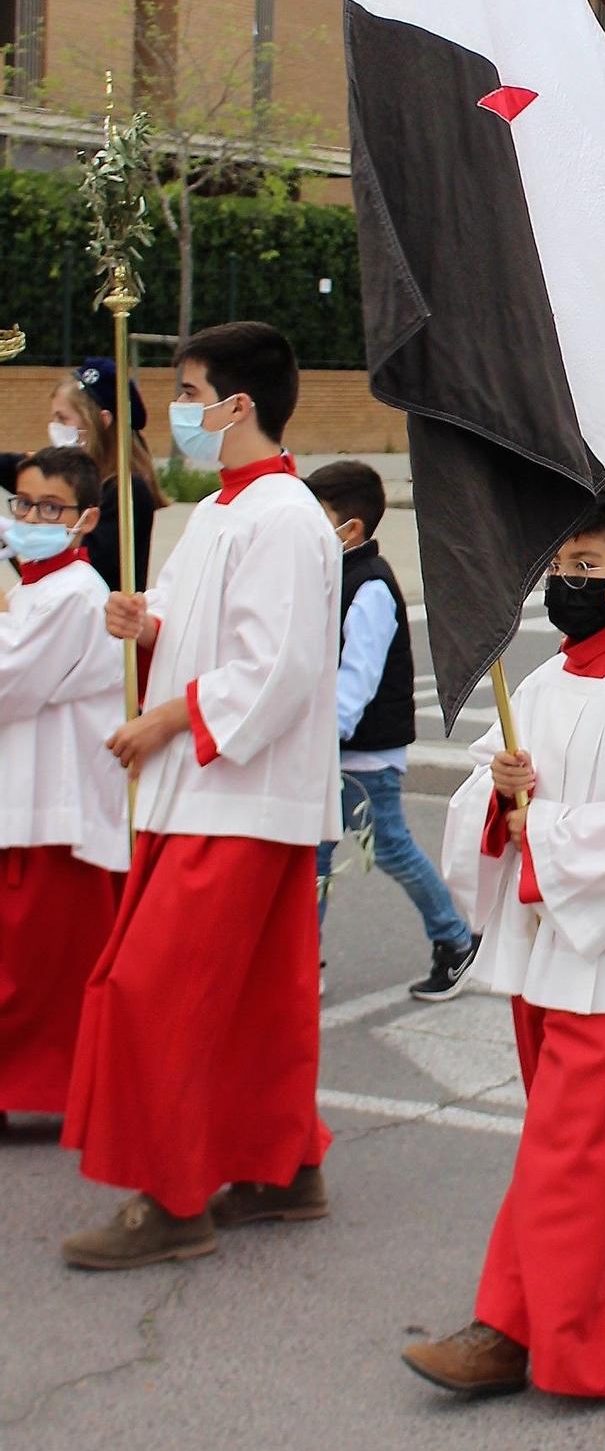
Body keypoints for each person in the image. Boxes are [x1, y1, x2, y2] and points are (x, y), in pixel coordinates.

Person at [405, 492, 605, 1401]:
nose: (567, 583)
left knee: (570, 1153)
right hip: (558, 947)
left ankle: (524, 1330)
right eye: (560, 566)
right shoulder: (546, 682)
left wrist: (538, 826)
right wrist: (501, 797)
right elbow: (485, 792)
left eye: (588, 570)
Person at [59, 321, 342, 1270]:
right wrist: (142, 623)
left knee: (157, 993)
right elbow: (195, 634)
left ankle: (173, 1199)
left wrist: (165, 719)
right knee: (255, 1003)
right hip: (206, 794)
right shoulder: (221, 513)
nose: (179, 412)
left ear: (237, 405)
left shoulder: (288, 518)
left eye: (188, 393)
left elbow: (280, 668)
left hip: (240, 795)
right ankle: (282, 1165)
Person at [307, 460, 480, 1002]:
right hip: (333, 752)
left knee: (389, 848)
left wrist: (322, 736)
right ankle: (301, 963)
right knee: (310, 858)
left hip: (363, 753)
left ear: (350, 528)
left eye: (317, 517)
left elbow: (355, 681)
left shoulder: (370, 587)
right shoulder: (333, 577)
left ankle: (455, 941)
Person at [0, 448, 127, 1128]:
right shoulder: (36, 586)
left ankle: (53, 1088)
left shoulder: (74, 594)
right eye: (21, 503)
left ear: (84, 520)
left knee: (36, 973)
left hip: (55, 806)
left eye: (48, 509)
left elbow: (8, 682)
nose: (30, 518)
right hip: (27, 797)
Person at [0, 358, 166, 590]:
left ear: (102, 421)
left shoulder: (126, 490)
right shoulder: (74, 473)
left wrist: (20, 536)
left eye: (62, 418)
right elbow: (8, 467)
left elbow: (89, 566)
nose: (55, 426)